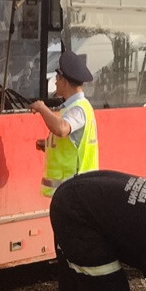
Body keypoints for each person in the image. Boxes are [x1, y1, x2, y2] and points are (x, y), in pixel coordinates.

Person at [30, 51, 99, 197]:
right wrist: (48, 144)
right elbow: (70, 141)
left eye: (57, 78)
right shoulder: (70, 108)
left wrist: (42, 108)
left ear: (65, 82)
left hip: (75, 188)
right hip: (71, 189)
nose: (55, 82)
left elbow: (62, 129)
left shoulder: (79, 108)